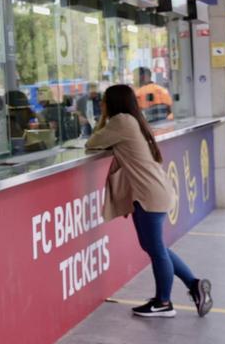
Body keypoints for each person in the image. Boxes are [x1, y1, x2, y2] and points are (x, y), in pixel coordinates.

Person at [86, 84, 212, 318]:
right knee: (156, 247)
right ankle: (194, 285)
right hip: (153, 190)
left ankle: (163, 303)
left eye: (104, 101)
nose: (102, 103)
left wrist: (103, 116)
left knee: (155, 249)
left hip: (149, 194)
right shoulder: (132, 119)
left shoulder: (121, 121)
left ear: (112, 102)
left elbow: (92, 142)